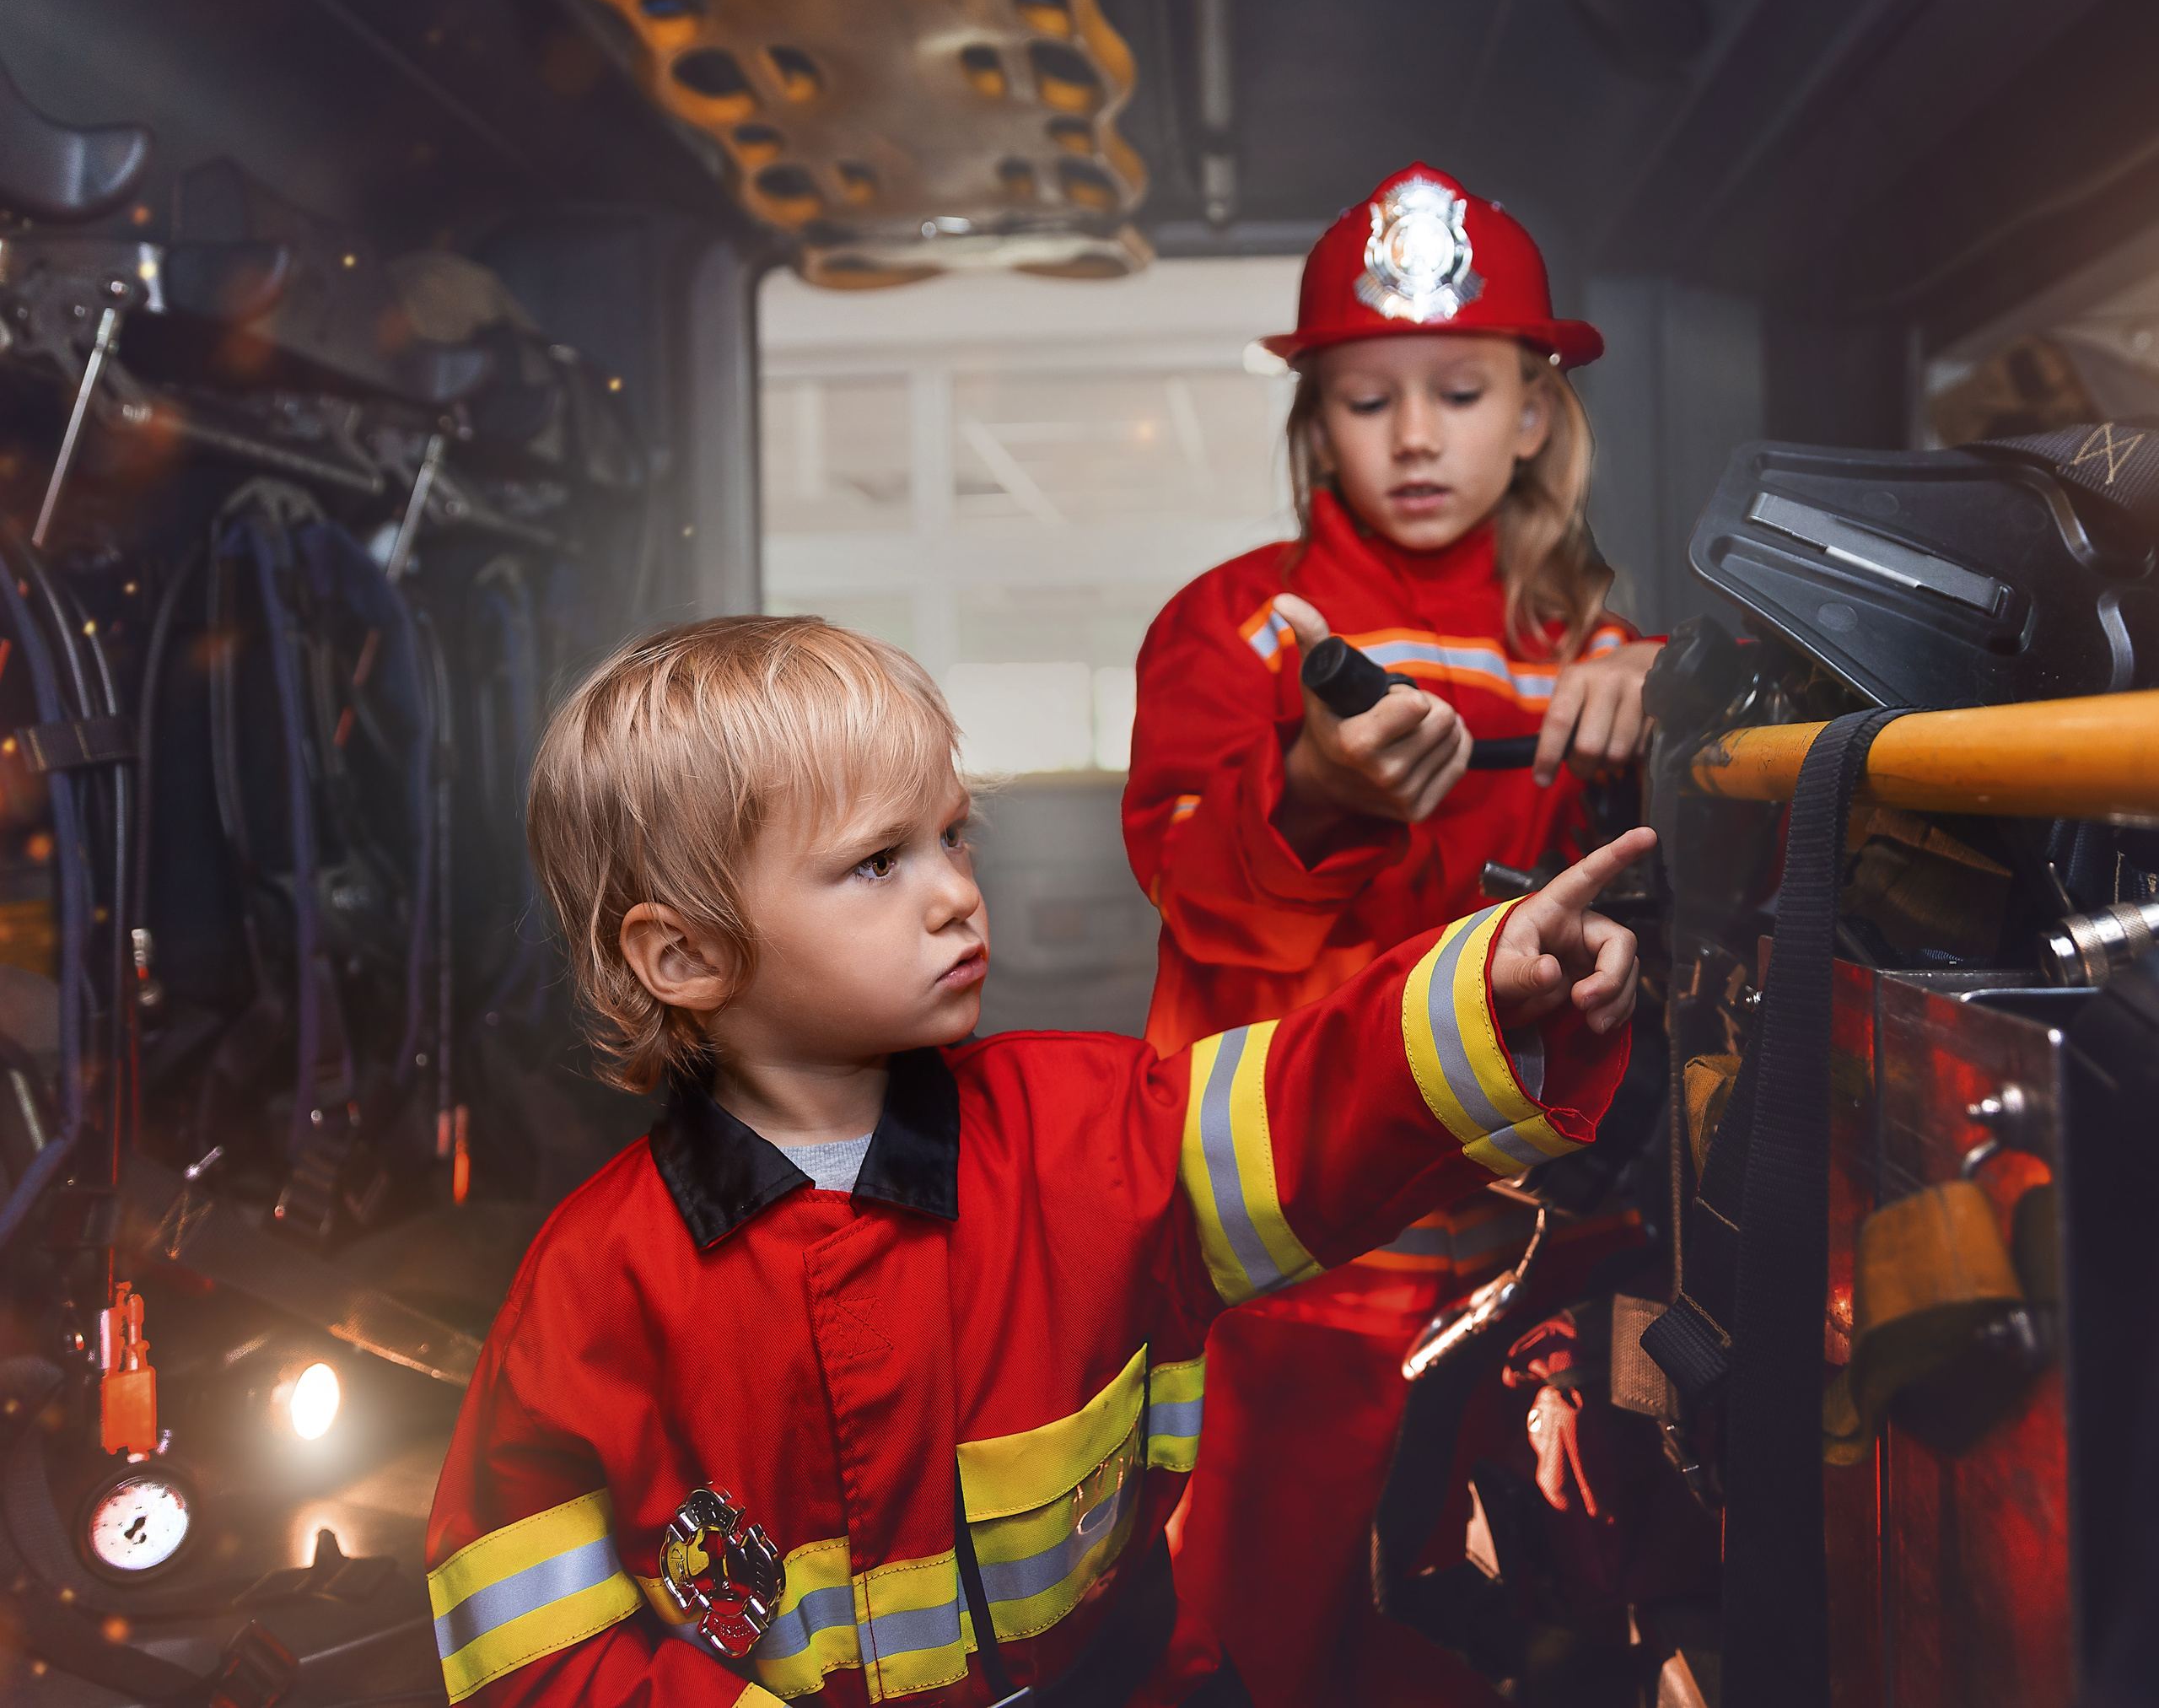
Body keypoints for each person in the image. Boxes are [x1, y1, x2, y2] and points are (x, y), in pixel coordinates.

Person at [423, 615, 1653, 1707]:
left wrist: (1492, 992)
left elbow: (1313, 1107)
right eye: (876, 863)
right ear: (683, 956)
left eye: (952, 835)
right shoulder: (592, 1290)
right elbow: (533, 1642)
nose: (958, 893)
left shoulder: (1090, 1124)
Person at [1122, 165, 1663, 1708]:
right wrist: (1311, 784)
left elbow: (1645, 900)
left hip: (1523, 1263)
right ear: (1316, 420)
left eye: (1460, 389)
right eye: (1367, 398)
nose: (1415, 436)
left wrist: (1672, 723)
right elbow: (1195, 890)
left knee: (1492, 1633)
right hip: (1287, 1263)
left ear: (1536, 410)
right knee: (1255, 1642)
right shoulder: (1238, 629)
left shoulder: (1600, 649)